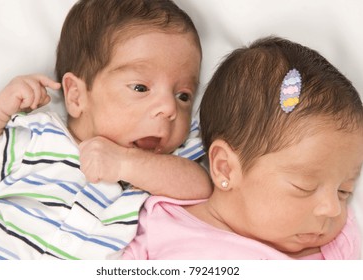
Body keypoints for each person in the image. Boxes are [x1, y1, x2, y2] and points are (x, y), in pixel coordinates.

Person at [0, 0, 211, 260]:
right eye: (141, 88)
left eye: (184, 96)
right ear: (76, 96)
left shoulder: (164, 164)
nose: (169, 108)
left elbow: (201, 187)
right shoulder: (37, 139)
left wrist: (127, 164)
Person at [123, 36, 363, 260]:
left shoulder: (338, 246)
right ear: (225, 168)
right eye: (305, 187)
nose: (332, 209)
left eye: (344, 191)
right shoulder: (161, 229)